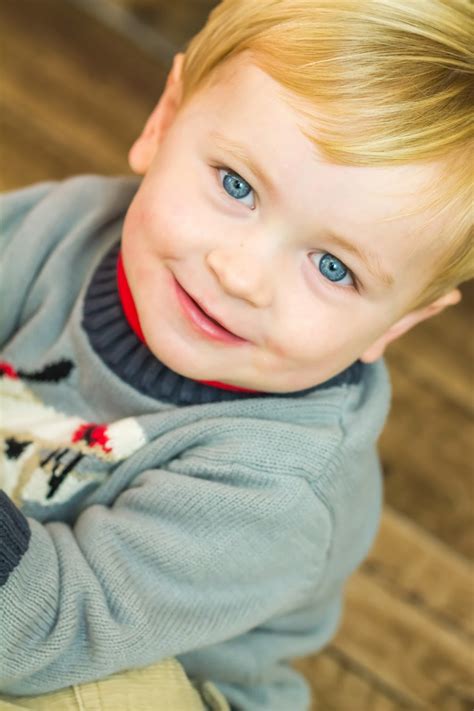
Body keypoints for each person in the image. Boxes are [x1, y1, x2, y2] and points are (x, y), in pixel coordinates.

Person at [0, 1, 472, 710]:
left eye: (334, 268)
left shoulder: (281, 486)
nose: (240, 275)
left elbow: (49, 628)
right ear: (163, 123)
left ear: (399, 323)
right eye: (236, 185)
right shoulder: (65, 226)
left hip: (121, 663)